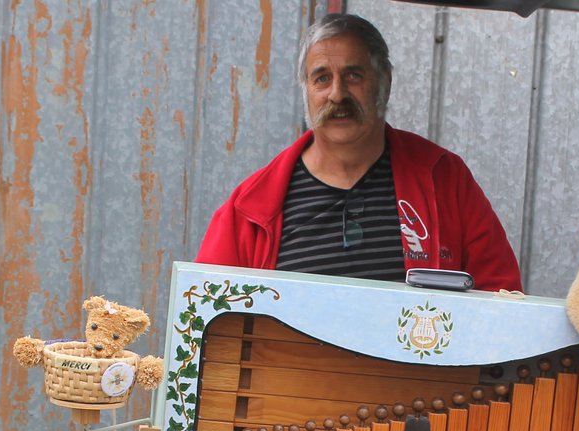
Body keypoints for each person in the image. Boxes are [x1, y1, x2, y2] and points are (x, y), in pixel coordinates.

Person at [196, 13, 521, 292]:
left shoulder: (444, 180)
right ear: (306, 91)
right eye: (322, 78)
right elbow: (204, 319)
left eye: (353, 75)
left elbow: (501, 300)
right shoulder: (251, 209)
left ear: (385, 82)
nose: (337, 94)